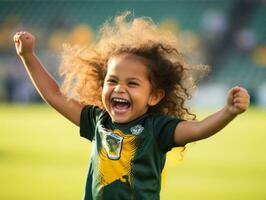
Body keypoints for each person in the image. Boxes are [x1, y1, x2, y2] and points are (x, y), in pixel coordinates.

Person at [13, 13, 249, 200]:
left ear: (154, 96)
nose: (119, 89)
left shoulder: (157, 129)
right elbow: (55, 95)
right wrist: (28, 56)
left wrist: (228, 112)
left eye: (132, 83)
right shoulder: (97, 120)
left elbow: (198, 129)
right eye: (112, 81)